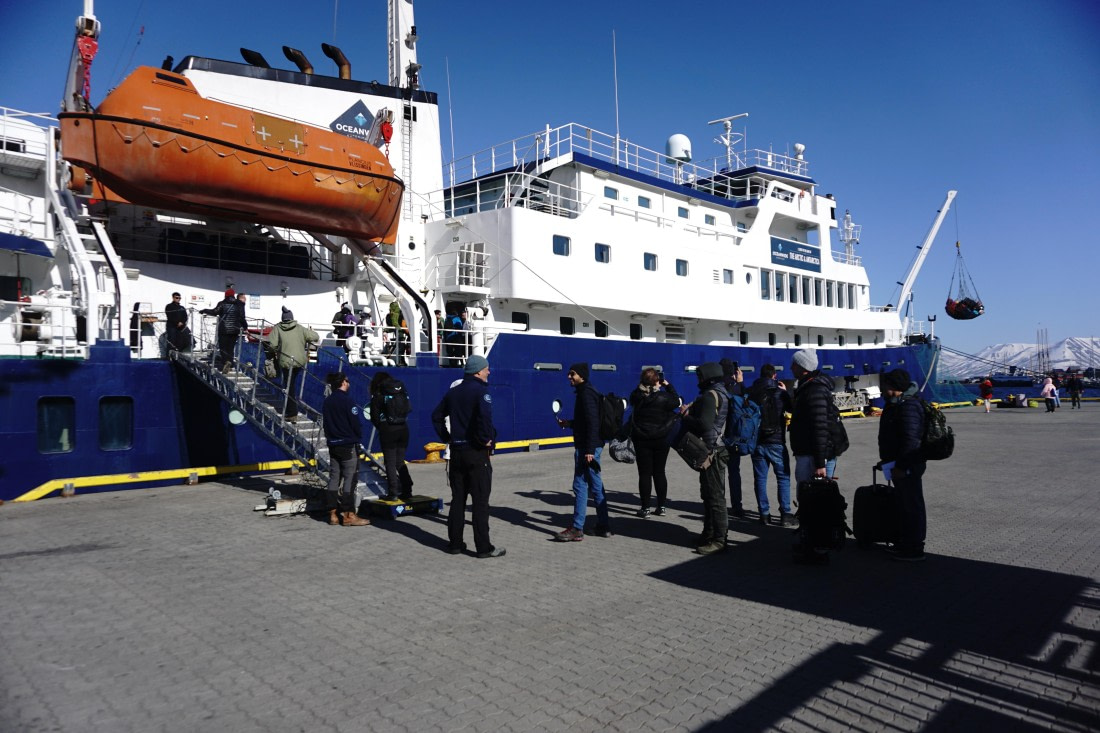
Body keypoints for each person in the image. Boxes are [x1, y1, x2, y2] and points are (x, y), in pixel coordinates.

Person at [430, 355, 504, 558]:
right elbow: (484, 419)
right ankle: (483, 548)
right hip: (476, 453)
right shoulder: (481, 392)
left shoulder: (453, 392)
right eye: (486, 369)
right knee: (480, 502)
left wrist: (447, 438)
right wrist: (485, 440)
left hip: (457, 453)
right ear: (478, 371)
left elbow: (436, 417)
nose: (489, 372)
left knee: (458, 500)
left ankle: (454, 544)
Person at [554, 363, 611, 541]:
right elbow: (586, 421)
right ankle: (604, 526)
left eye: (572, 374)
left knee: (580, 485)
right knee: (596, 485)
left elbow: (593, 423)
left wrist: (589, 450)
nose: (569, 377)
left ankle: (577, 528)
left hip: (587, 447)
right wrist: (569, 424)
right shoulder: (587, 391)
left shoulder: (586, 394)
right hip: (592, 445)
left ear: (582, 376)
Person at [878, 368, 927, 561]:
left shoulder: (908, 407)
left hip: (907, 465)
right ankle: (905, 541)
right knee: (904, 504)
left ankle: (914, 547)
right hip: (898, 463)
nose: (882, 388)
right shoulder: (896, 404)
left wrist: (901, 466)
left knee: (911, 505)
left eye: (885, 385)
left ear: (894, 387)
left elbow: (910, 441)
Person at [681, 361, 730, 555]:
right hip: (716, 450)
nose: (698, 380)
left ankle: (718, 539)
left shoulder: (710, 396)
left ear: (708, 377)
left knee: (715, 497)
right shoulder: (722, 392)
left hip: (713, 453)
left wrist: (685, 417)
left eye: (699, 377)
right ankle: (708, 534)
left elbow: (703, 425)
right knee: (709, 494)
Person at [748, 364, 795, 527]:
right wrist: (785, 392)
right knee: (783, 477)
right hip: (776, 441)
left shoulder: (752, 392)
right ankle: (785, 515)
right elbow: (793, 409)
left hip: (757, 441)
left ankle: (764, 514)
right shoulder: (779, 394)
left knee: (760, 478)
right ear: (774, 376)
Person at [629, 367, 680, 517]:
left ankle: (645, 509)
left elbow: (635, 396)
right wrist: (667, 385)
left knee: (644, 474)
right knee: (659, 472)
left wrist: (647, 384)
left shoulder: (636, 396)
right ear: (657, 380)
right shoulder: (664, 398)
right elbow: (676, 401)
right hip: (661, 439)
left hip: (642, 439)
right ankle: (662, 506)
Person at [321, 372, 369, 527]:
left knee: (334, 477)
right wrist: (358, 436)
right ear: (342, 382)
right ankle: (349, 514)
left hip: (333, 444)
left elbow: (326, 424)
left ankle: (332, 514)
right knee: (350, 478)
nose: (349, 384)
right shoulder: (348, 401)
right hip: (347, 445)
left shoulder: (327, 402)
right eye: (347, 381)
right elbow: (355, 423)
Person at [788, 349, 838, 482]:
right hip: (810, 453)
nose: (790, 367)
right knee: (812, 497)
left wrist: (820, 464)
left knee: (814, 496)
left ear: (803, 366)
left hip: (812, 455)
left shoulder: (814, 390)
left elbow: (820, 427)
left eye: (794, 364)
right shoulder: (807, 388)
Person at [268, 306, 319, 422]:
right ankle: (292, 409)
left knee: (288, 386)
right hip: (299, 361)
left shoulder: (277, 328)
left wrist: (275, 351)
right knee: (292, 384)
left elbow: (272, 345)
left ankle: (291, 413)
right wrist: (305, 339)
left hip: (286, 362)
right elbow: (315, 337)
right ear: (292, 318)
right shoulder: (300, 328)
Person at [369, 371, 414, 501]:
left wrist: (382, 426)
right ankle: (407, 489)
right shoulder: (400, 391)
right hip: (403, 428)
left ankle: (393, 492)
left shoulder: (378, 395)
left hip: (388, 430)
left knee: (390, 462)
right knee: (400, 461)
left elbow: (374, 416)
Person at [719, 357, 747, 518]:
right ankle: (738, 506)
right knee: (734, 473)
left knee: (718, 474)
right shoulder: (737, 389)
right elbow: (747, 403)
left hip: (719, 437)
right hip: (734, 436)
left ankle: (719, 504)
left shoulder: (718, 389)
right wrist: (741, 382)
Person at [200, 288, 246, 373]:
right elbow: (242, 317)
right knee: (231, 348)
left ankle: (226, 362)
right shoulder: (239, 304)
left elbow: (214, 312)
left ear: (226, 295)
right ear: (233, 295)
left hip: (224, 329)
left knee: (223, 348)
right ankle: (230, 363)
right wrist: (245, 327)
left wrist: (204, 310)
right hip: (235, 330)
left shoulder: (222, 303)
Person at [385, 301, 410, 366]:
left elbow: (390, 324)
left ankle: (398, 360)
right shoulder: (401, 314)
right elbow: (403, 325)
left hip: (396, 331)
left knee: (399, 346)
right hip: (400, 332)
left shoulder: (390, 315)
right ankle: (401, 361)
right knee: (401, 346)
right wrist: (407, 332)